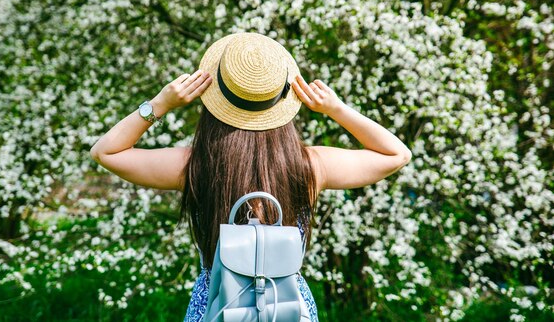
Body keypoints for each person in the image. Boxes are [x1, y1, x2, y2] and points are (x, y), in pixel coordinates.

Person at [90, 32, 412, 321]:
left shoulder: (197, 166)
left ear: (216, 102)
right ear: (283, 102)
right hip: (288, 309)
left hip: (216, 308)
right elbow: (396, 154)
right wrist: (336, 109)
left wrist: (161, 104)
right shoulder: (309, 166)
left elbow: (107, 152)